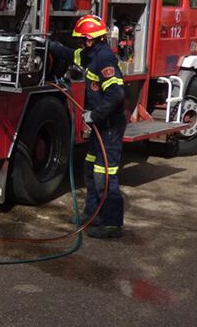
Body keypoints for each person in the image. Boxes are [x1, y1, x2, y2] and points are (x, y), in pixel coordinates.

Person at [48, 15, 126, 239]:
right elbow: (71, 54)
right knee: (89, 169)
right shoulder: (90, 54)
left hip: (109, 128)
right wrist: (50, 45)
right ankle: (92, 213)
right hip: (100, 127)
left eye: (82, 40)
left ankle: (111, 224)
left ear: (90, 40)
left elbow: (117, 94)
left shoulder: (105, 60)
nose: (81, 44)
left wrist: (95, 114)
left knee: (105, 176)